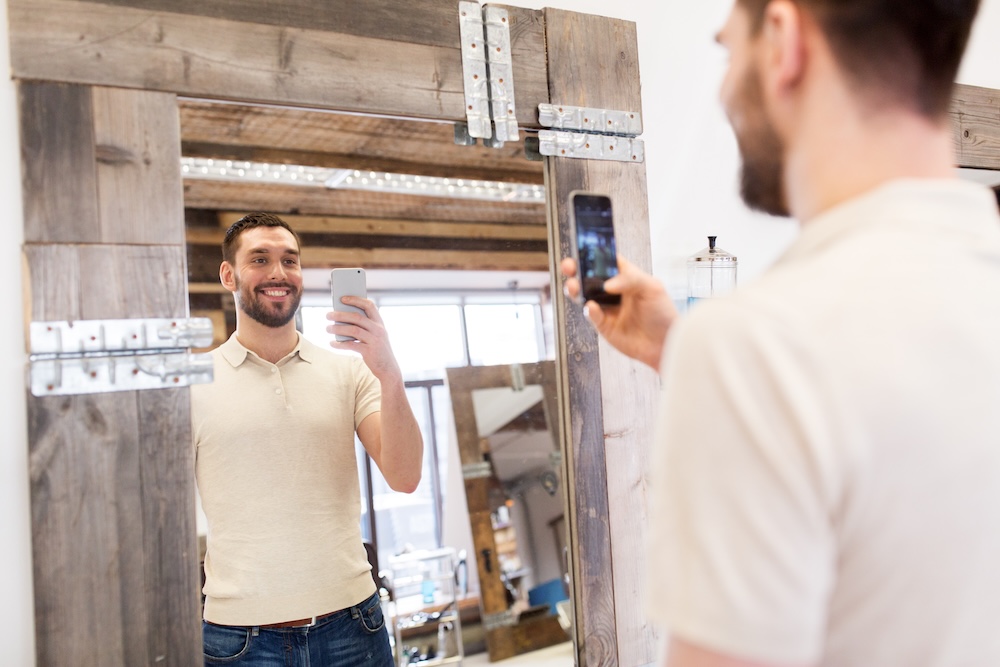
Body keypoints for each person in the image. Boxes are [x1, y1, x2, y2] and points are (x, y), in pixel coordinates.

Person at [563, 0, 1000, 665]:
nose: (725, 88)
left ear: (782, 39)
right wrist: (680, 352)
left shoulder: (756, 348)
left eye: (727, 49)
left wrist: (716, 364)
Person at [191, 212, 423, 666]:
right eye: (260, 259)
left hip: (354, 625)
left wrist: (390, 373)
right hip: (240, 640)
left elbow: (406, 476)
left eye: (290, 261)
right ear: (228, 274)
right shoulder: (193, 382)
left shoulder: (351, 369)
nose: (278, 273)